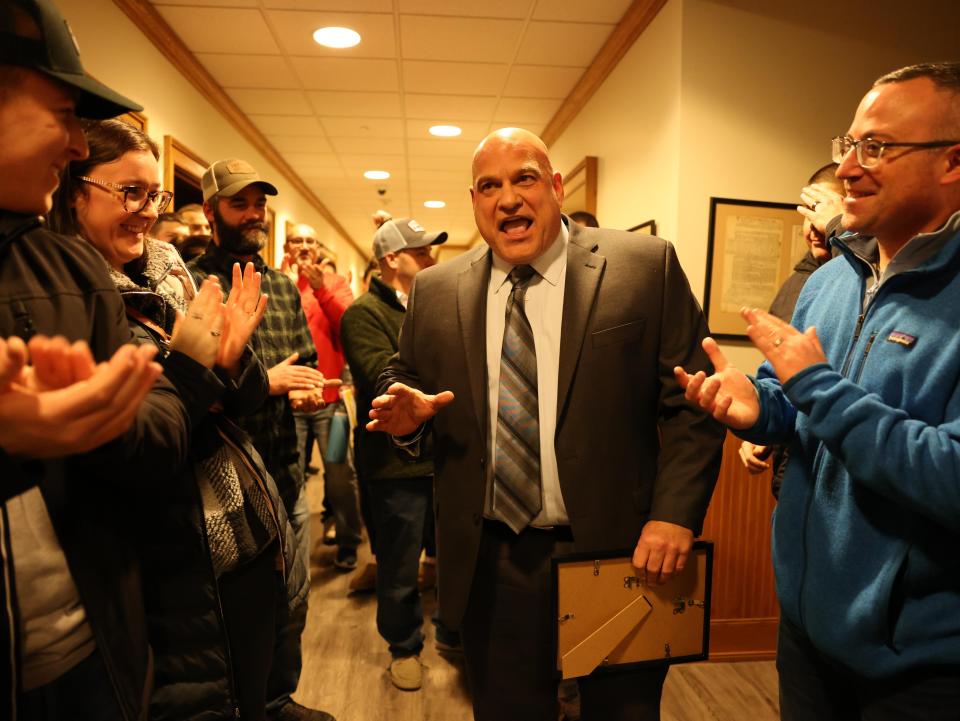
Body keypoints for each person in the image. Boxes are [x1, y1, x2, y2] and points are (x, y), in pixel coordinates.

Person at [367, 128, 724, 720]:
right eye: (489, 186)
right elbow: (404, 383)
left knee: (623, 713)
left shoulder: (642, 267)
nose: (508, 199)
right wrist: (404, 419)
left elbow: (693, 403)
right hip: (494, 561)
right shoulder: (435, 291)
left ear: (556, 187)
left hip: (620, 554)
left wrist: (672, 514)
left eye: (524, 178)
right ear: (474, 202)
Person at [677, 62, 960, 720]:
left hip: (919, 667)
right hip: (805, 635)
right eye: (848, 145)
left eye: (878, 147)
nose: (849, 169)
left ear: (952, 162)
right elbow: (796, 401)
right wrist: (759, 409)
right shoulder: (832, 278)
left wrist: (818, 389)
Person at [48, 116, 310, 721]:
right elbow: (142, 449)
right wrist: (200, 368)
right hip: (169, 550)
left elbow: (237, 397)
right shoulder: (78, 299)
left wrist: (230, 362)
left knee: (256, 677)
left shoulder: (169, 271)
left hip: (243, 521)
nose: (145, 212)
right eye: (128, 192)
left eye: (153, 194)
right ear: (73, 189)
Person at [0, 0, 191, 717]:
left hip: (91, 646)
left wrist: (199, 369)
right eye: (63, 112)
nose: (77, 144)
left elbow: (154, 434)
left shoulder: (65, 271)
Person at [188, 159, 335, 721]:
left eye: (259, 204)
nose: (253, 215)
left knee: (290, 602)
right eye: (238, 204)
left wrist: (304, 390)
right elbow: (188, 382)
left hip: (285, 471)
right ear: (211, 212)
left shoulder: (279, 285)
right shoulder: (191, 281)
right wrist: (267, 382)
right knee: (234, 615)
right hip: (223, 484)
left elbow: (311, 364)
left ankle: (278, 700)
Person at [340, 217, 454, 691]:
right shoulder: (363, 314)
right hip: (393, 465)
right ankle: (403, 647)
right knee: (399, 565)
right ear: (392, 259)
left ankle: (452, 632)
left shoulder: (440, 305)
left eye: (432, 251)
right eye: (422, 252)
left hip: (447, 457)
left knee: (450, 556)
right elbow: (381, 380)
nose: (432, 260)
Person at [738, 163, 843, 495]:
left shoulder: (864, 283)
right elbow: (783, 379)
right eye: (807, 213)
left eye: (822, 213)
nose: (813, 227)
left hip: (839, 475)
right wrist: (762, 422)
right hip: (795, 472)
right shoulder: (798, 285)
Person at [282, 223, 363, 571]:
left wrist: (319, 289)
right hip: (290, 401)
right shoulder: (276, 281)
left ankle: (348, 541)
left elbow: (350, 324)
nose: (303, 246)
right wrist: (286, 285)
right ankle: (288, 552)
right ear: (287, 245)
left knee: (338, 475)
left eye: (309, 240)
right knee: (290, 475)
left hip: (331, 402)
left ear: (318, 249)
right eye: (297, 240)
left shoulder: (335, 284)